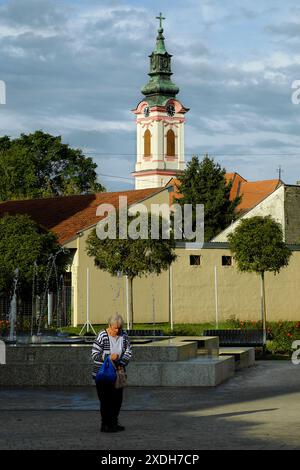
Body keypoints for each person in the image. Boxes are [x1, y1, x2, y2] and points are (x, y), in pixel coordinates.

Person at [92, 314, 132, 433]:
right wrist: (109, 357)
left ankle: (114, 422)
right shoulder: (102, 335)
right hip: (103, 374)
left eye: (119, 328)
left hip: (118, 373)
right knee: (105, 400)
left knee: (117, 400)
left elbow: (129, 351)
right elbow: (94, 354)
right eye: (115, 328)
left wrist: (121, 362)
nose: (117, 330)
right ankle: (105, 424)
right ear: (109, 326)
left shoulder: (124, 335)